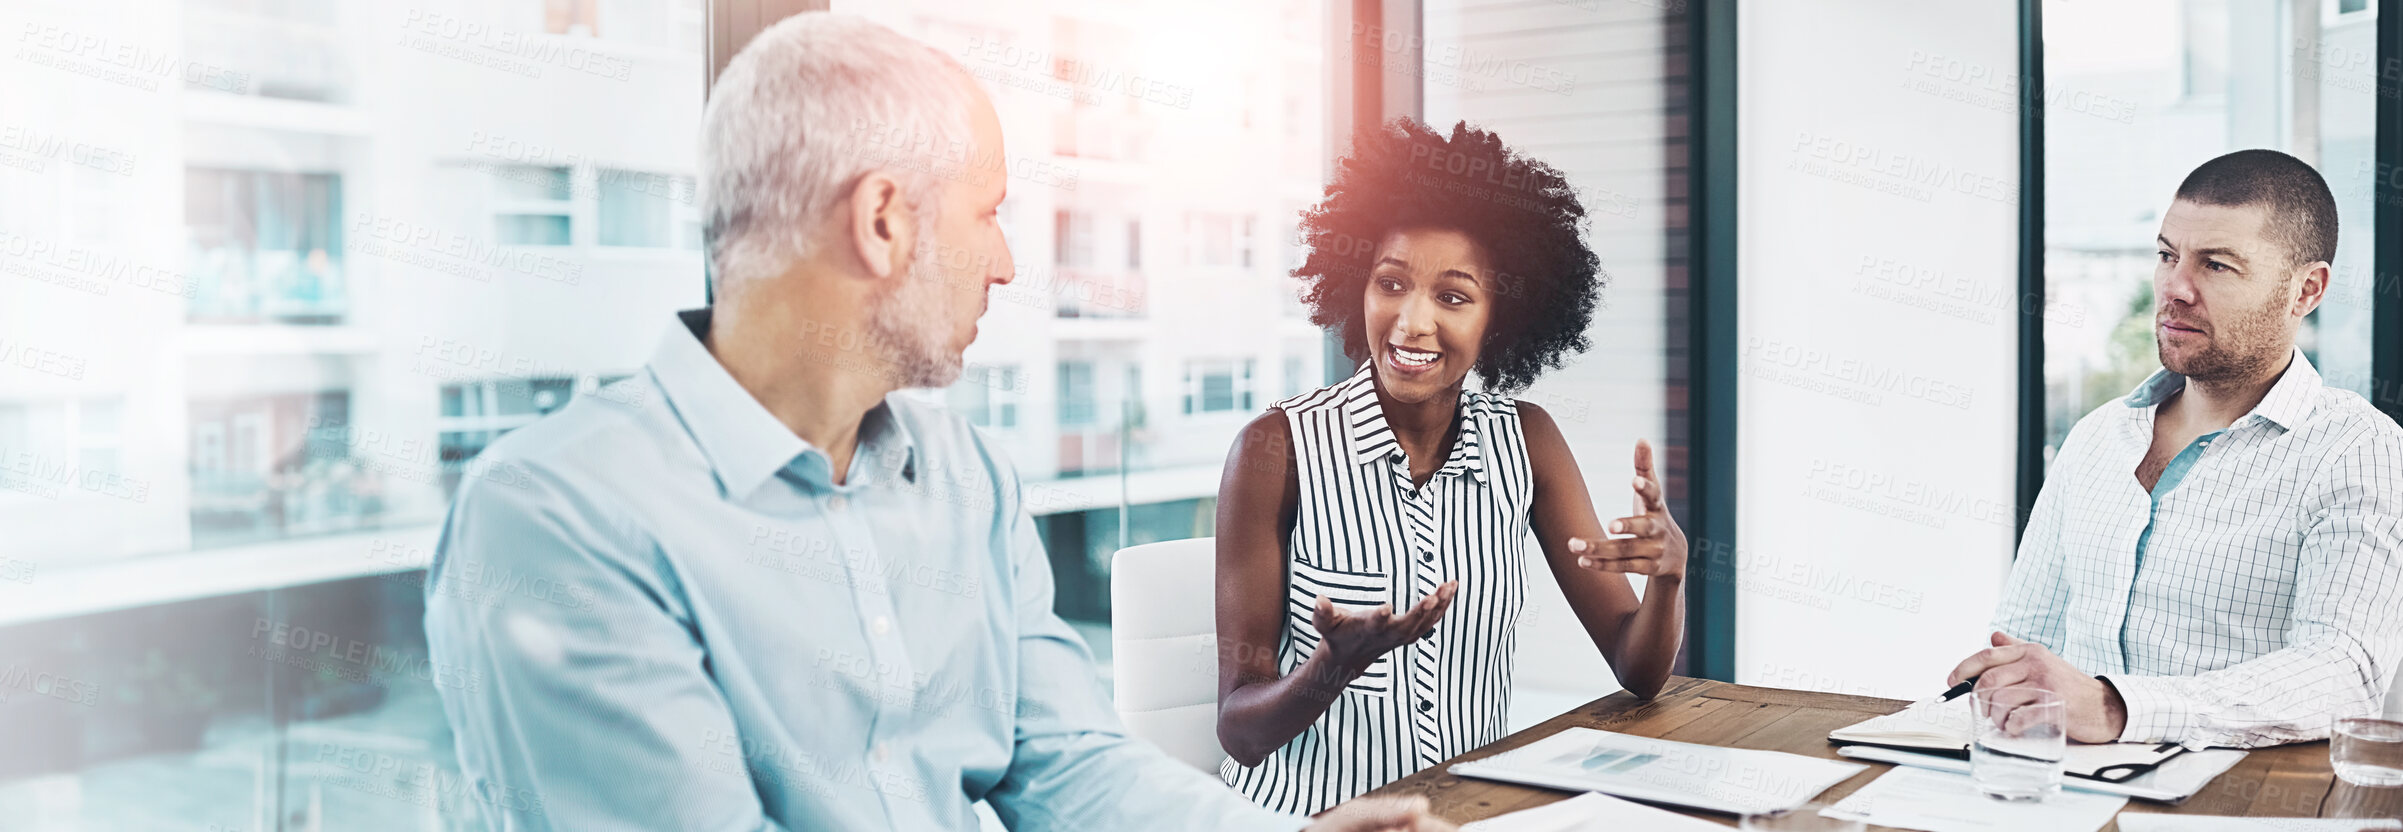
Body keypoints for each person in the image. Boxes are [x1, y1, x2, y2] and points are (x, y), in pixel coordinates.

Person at [421, 12, 1452, 831]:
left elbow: (1061, 762)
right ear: (883, 222)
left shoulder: (969, 476)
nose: (1006, 262)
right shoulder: (558, 518)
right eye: (989, 211)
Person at [1214, 119, 1691, 814]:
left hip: (1460, 818)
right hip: (1311, 822)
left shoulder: (1527, 441)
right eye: (1390, 283)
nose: (1410, 323)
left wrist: (1670, 577)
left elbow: (1637, 669)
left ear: (1500, 318)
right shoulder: (1275, 448)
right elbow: (1238, 732)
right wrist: (1333, 667)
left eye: (1452, 296)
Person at [1948, 149, 2403, 749]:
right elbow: (2026, 638)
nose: (2175, 289)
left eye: (2216, 265)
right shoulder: (2095, 438)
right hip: (2065, 793)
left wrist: (2117, 708)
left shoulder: (2358, 450)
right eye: (2167, 256)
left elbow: (2344, 672)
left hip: (2236, 805)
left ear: (2306, 290)